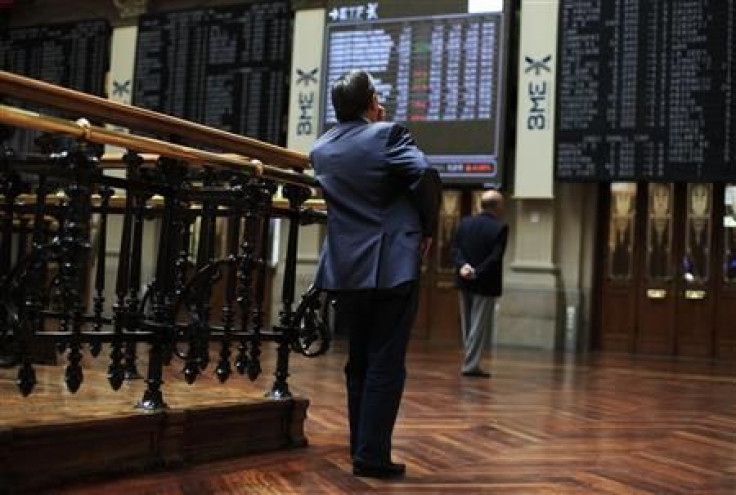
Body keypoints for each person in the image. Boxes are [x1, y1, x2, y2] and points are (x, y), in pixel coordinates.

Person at [310, 70, 441, 479]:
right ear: (371, 103)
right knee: (386, 362)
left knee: (358, 362)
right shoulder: (387, 134)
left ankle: (360, 446)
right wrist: (429, 227)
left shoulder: (321, 148)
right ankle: (371, 455)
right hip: (392, 265)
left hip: (346, 269)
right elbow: (425, 174)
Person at [451, 190, 508, 378]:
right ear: (497, 206)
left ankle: (470, 359)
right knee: (478, 324)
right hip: (485, 282)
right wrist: (477, 271)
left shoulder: (465, 223)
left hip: (463, 278)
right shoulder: (500, 228)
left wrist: (464, 267)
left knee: (467, 324)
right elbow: (495, 257)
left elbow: (455, 249)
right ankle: (471, 364)